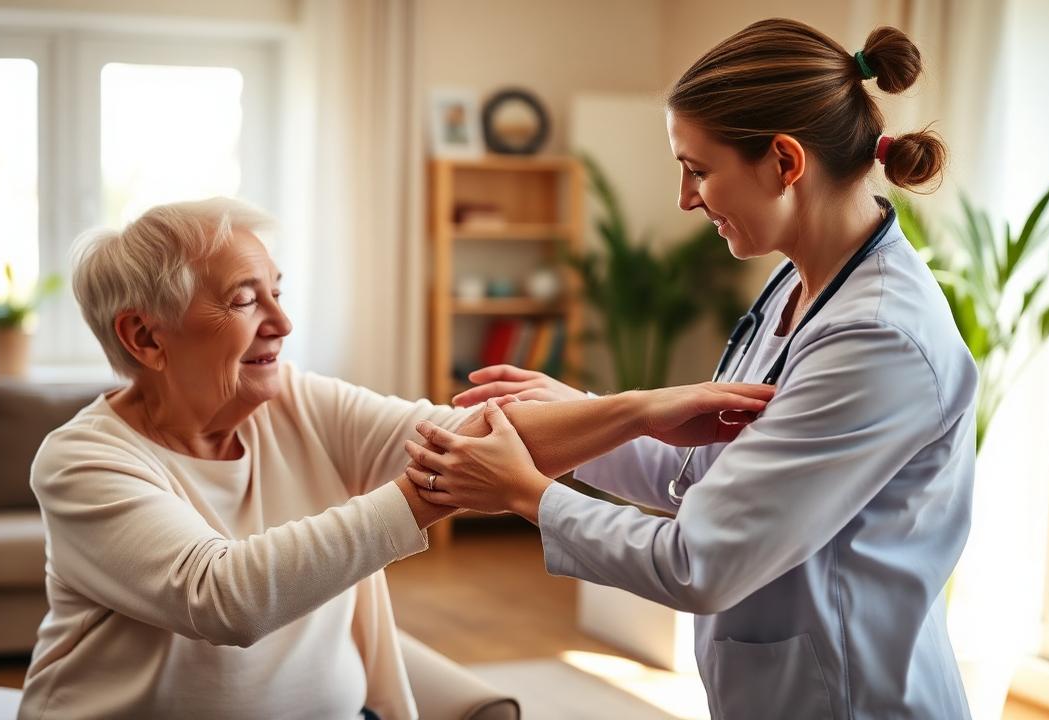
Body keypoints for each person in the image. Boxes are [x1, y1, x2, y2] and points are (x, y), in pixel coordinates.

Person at [404, 19, 978, 719]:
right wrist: (588, 413)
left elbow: (698, 560)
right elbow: (705, 484)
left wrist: (526, 492)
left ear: (785, 162)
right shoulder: (797, 287)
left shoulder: (878, 337)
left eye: (699, 170)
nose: (686, 198)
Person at [17, 197, 774, 720]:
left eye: (277, 291)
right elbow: (225, 596)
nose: (283, 321)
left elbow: (464, 431)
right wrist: (430, 492)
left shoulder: (299, 404)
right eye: (246, 300)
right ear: (146, 338)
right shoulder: (83, 462)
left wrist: (646, 410)